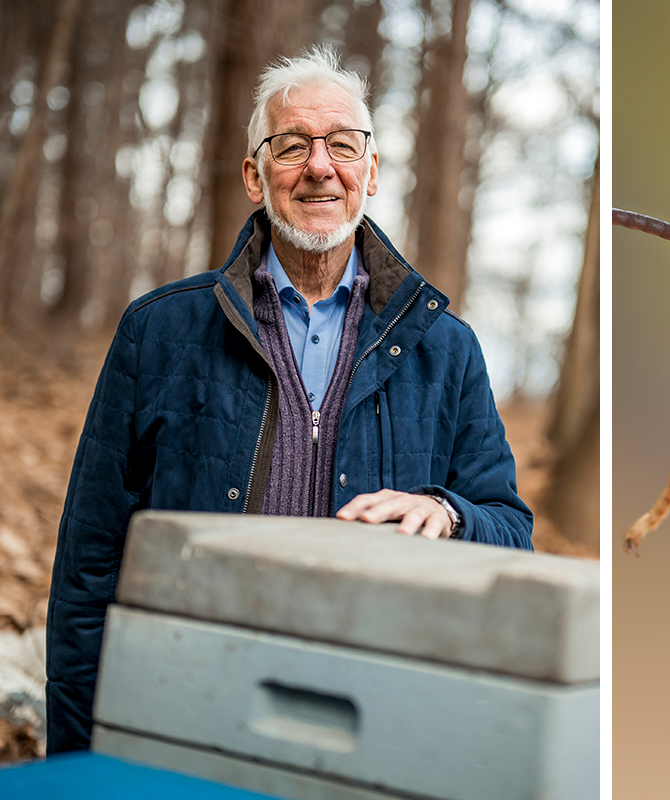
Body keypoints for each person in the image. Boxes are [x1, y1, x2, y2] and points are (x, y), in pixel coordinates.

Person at [45, 47, 533, 753]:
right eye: (291, 146)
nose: (319, 166)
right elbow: (89, 561)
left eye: (342, 144)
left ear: (371, 172)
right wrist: (78, 758)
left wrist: (448, 513)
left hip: (371, 720)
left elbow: (509, 529)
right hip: (189, 701)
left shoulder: (445, 349)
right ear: (253, 174)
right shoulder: (159, 333)